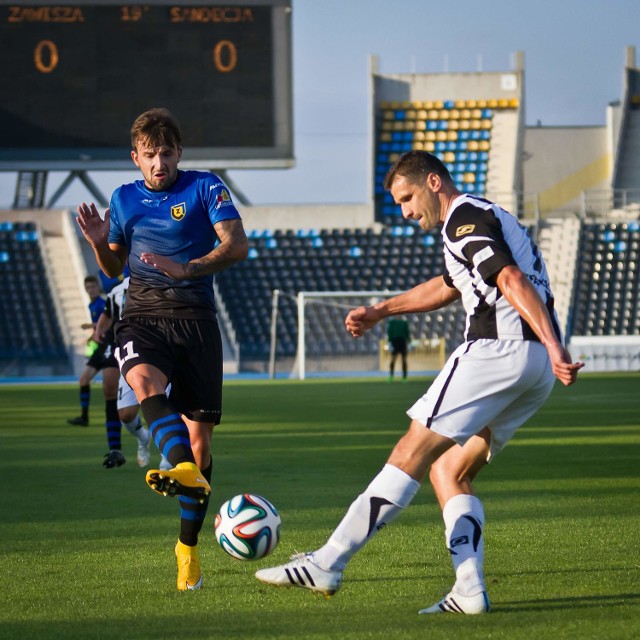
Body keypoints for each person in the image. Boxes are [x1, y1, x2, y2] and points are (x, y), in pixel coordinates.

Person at [255, 150, 583, 614]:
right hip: (530, 370)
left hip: (498, 349)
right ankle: (469, 590)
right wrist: (380, 310)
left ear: (433, 182)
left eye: (407, 198)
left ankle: (328, 561)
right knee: (449, 471)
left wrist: (554, 345)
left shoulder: (462, 216)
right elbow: (449, 285)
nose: (406, 212)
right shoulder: (483, 216)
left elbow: (507, 277)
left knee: (409, 451)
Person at [76, 107, 248, 591]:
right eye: (149, 155)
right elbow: (113, 270)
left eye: (166, 153)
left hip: (197, 321)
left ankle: (187, 547)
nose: (159, 163)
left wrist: (188, 268)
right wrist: (96, 242)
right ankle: (182, 470)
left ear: (179, 153)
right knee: (143, 381)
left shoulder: (205, 187)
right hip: (143, 317)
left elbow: (236, 246)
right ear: (136, 158)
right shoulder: (123, 199)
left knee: (201, 441)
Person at [93, 275, 151, 468]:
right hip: (124, 346)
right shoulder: (117, 290)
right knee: (125, 414)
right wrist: (99, 329)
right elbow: (108, 313)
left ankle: (170, 461)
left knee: (162, 403)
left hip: (154, 348)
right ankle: (143, 439)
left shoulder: (155, 281)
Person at [67, 275, 109, 427]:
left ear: (98, 287)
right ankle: (84, 417)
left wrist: (92, 326)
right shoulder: (92, 305)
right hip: (100, 347)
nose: (91, 290)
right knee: (84, 380)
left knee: (110, 386)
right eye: (88, 287)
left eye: (93, 287)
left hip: (108, 347)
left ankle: (122, 415)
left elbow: (109, 321)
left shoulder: (102, 304)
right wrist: (93, 334)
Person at [386, 316, 410, 382]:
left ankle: (404, 377)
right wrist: (390, 342)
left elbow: (407, 333)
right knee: (393, 360)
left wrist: (409, 342)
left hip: (403, 342)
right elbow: (389, 332)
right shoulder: (392, 322)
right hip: (395, 342)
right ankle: (391, 376)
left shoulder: (404, 322)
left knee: (404, 360)